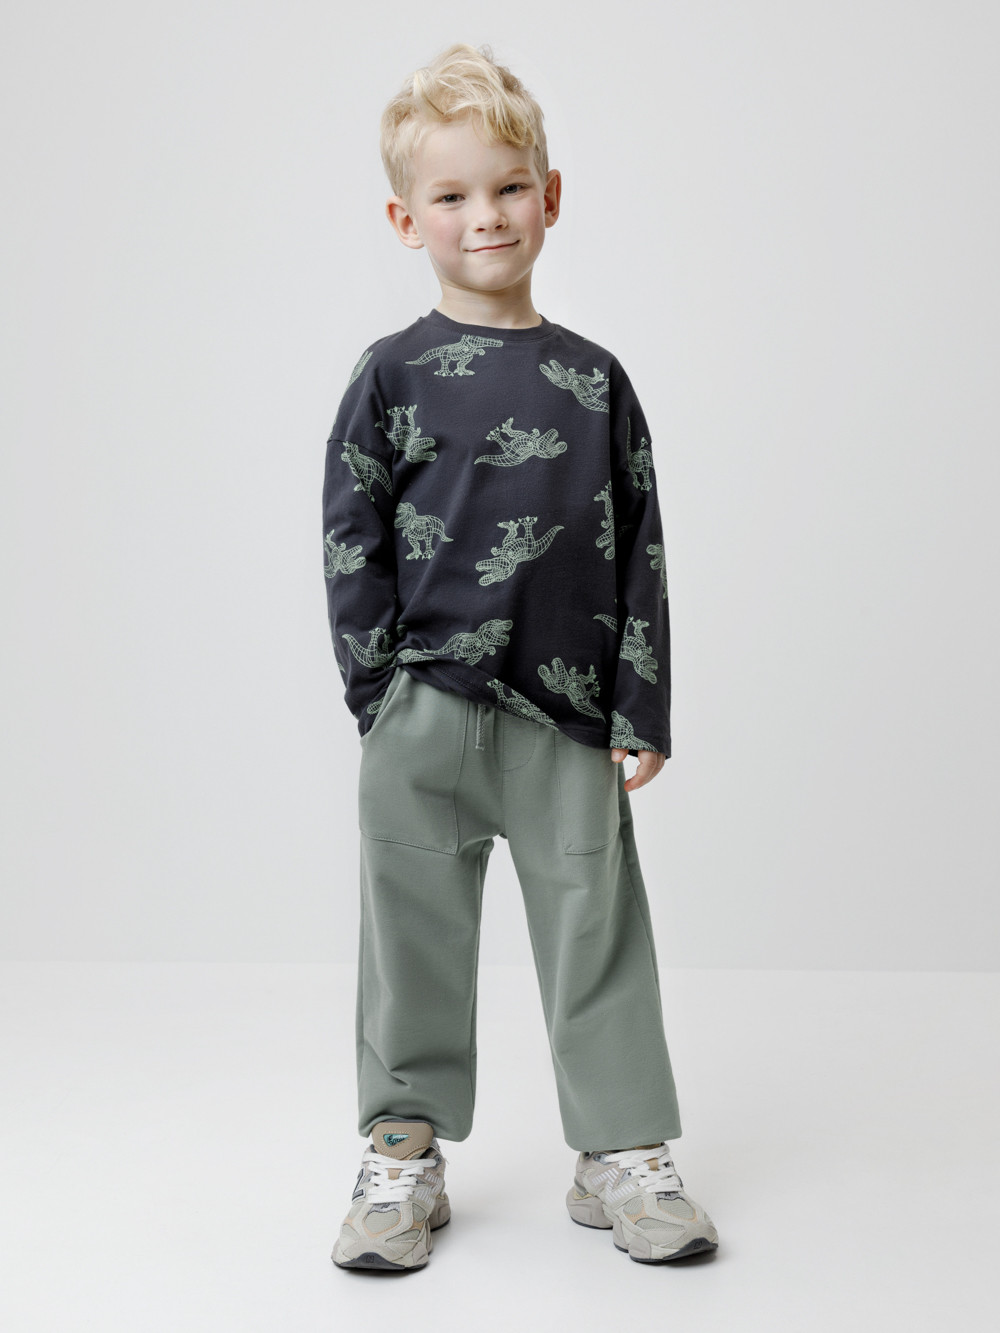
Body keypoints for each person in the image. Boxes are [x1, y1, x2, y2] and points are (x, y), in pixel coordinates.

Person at [322, 41, 718, 1272]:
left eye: (506, 187)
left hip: (567, 716)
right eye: (451, 195)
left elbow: (641, 544)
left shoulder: (594, 382)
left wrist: (639, 703)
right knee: (411, 936)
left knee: (597, 925)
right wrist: (378, 695)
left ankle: (623, 1152)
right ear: (407, 218)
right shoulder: (390, 374)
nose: (484, 215)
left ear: (549, 196)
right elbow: (351, 533)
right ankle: (400, 1153)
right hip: (425, 711)